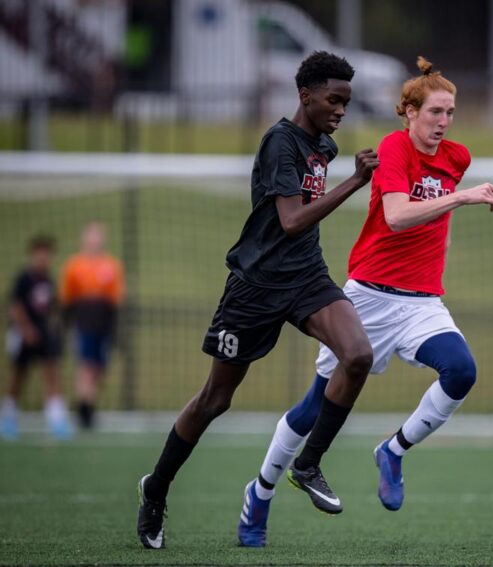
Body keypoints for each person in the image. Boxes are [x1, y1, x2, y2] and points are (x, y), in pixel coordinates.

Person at [243, 56, 493, 545]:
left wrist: (441, 244)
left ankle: (394, 450)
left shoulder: (457, 157)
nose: (443, 123)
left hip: (422, 302)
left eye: (450, 113)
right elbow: (400, 215)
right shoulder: (393, 149)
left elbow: (433, 224)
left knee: (462, 370)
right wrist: (462, 198)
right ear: (408, 112)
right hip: (368, 298)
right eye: (434, 113)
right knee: (311, 410)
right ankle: (259, 494)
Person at [136, 51, 379, 550]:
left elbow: (302, 226)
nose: (341, 109)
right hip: (256, 285)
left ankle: (307, 464)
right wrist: (355, 183)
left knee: (357, 355)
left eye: (347, 102)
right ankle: (156, 487)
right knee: (215, 399)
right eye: (333, 99)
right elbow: (290, 221)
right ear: (305, 94)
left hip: (306, 276)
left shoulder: (323, 147)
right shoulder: (279, 143)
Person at [2, 235, 72, 441]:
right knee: (18, 376)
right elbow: (15, 305)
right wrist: (25, 329)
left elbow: (51, 308)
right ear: (33, 254)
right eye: (40, 253)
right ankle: (8, 416)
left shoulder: (48, 280)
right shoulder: (24, 279)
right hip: (24, 334)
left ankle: (56, 418)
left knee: (52, 372)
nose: (44, 258)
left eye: (47, 254)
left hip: (42, 333)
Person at [60, 221, 125, 430]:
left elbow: (115, 299)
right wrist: (67, 324)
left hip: (103, 321)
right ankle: (84, 410)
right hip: (83, 320)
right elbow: (68, 299)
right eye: (91, 235)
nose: (95, 240)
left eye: (98, 236)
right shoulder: (74, 265)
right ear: (84, 238)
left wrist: (114, 328)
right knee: (86, 365)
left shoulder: (111, 265)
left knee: (98, 368)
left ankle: (88, 405)